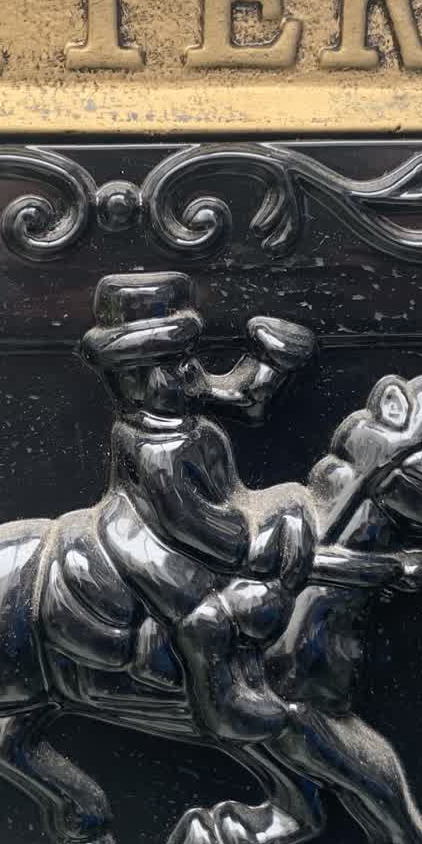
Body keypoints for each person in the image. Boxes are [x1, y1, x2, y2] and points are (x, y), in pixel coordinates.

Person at [81, 272, 317, 742]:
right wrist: (251, 544)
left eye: (187, 358)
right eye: (173, 364)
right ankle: (220, 700)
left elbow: (242, 396)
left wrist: (271, 361)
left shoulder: (185, 409)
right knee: (203, 617)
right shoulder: (156, 446)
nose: (191, 374)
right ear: (133, 380)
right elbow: (187, 522)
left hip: (202, 528)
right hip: (145, 539)